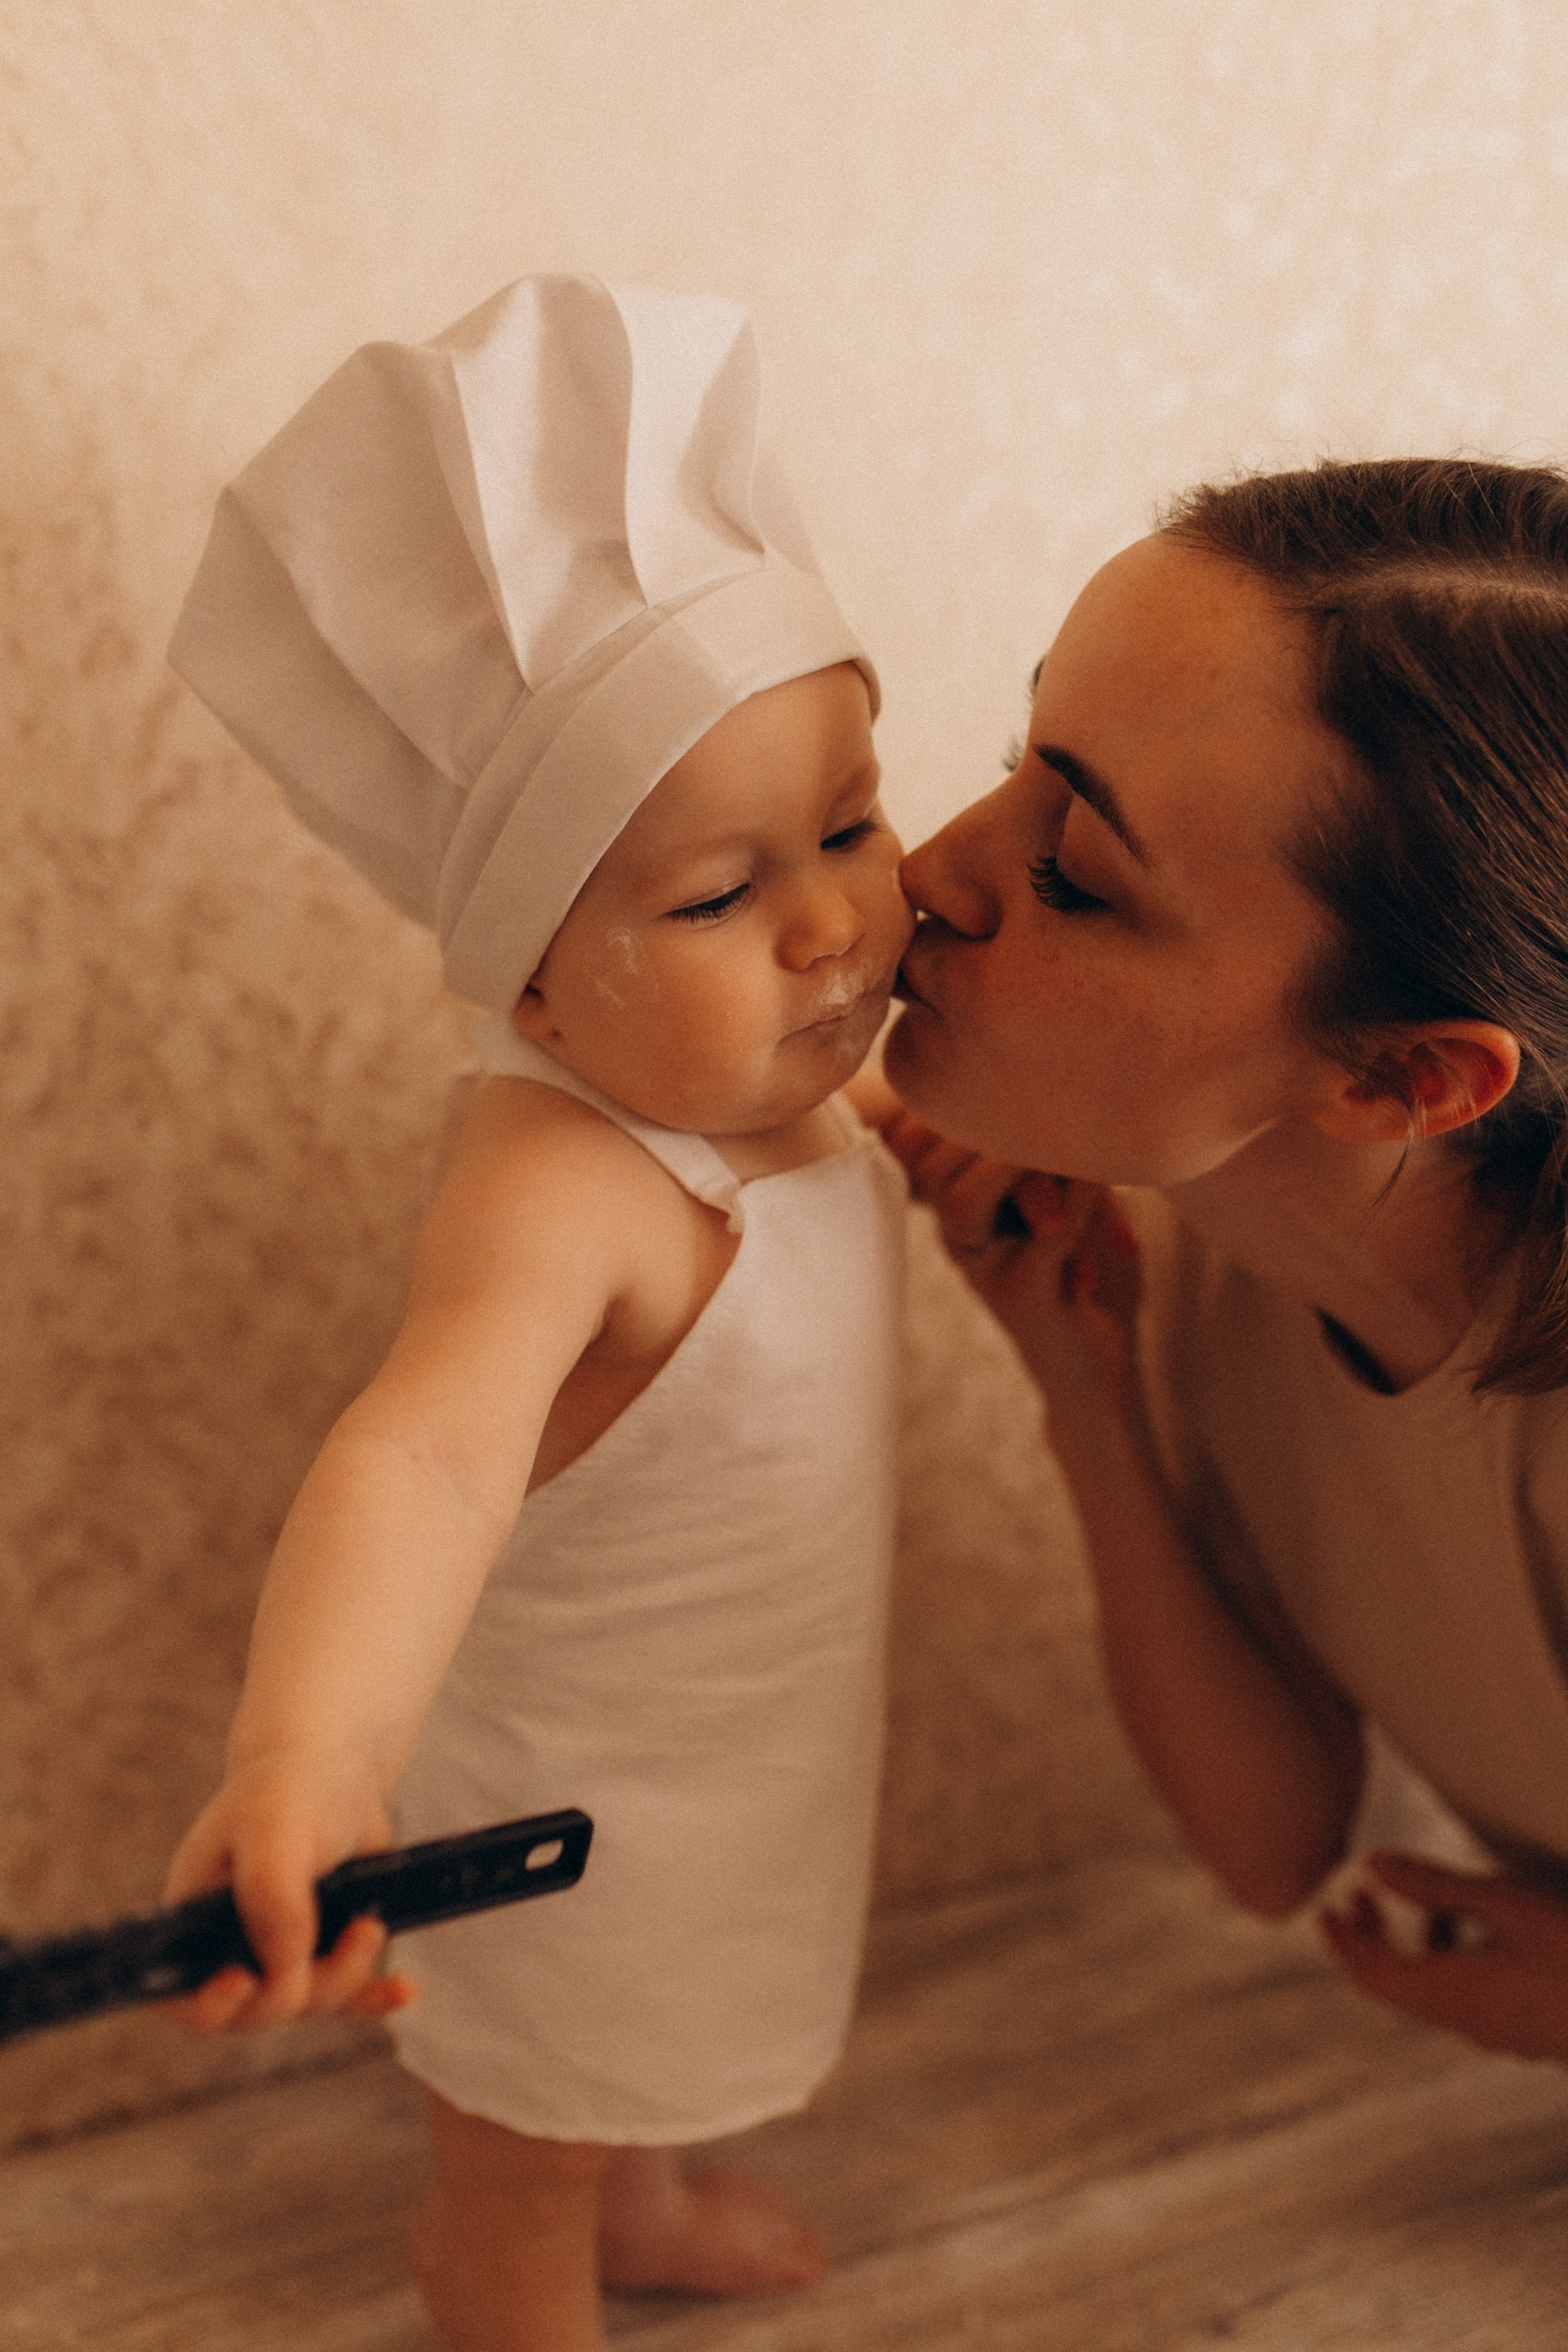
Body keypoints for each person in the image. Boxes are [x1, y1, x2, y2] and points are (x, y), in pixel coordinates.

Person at [160, 274, 912, 2352]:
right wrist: (312, 1753)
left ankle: (638, 2192)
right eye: (720, 893)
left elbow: (852, 1191)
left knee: (678, 1993)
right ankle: (500, 2269)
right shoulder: (569, 1175)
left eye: (852, 820)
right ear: (540, 990)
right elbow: (426, 1451)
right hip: (580, 1760)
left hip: (754, 1733)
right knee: (551, 2050)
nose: (831, 918)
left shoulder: (785, 1101)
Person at [880, 456, 1568, 2067]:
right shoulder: (1228, 1253)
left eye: (1073, 874)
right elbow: (1274, 1845)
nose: (928, 871)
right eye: (1017, 763)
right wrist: (1087, 1395)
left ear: (1406, 1078)